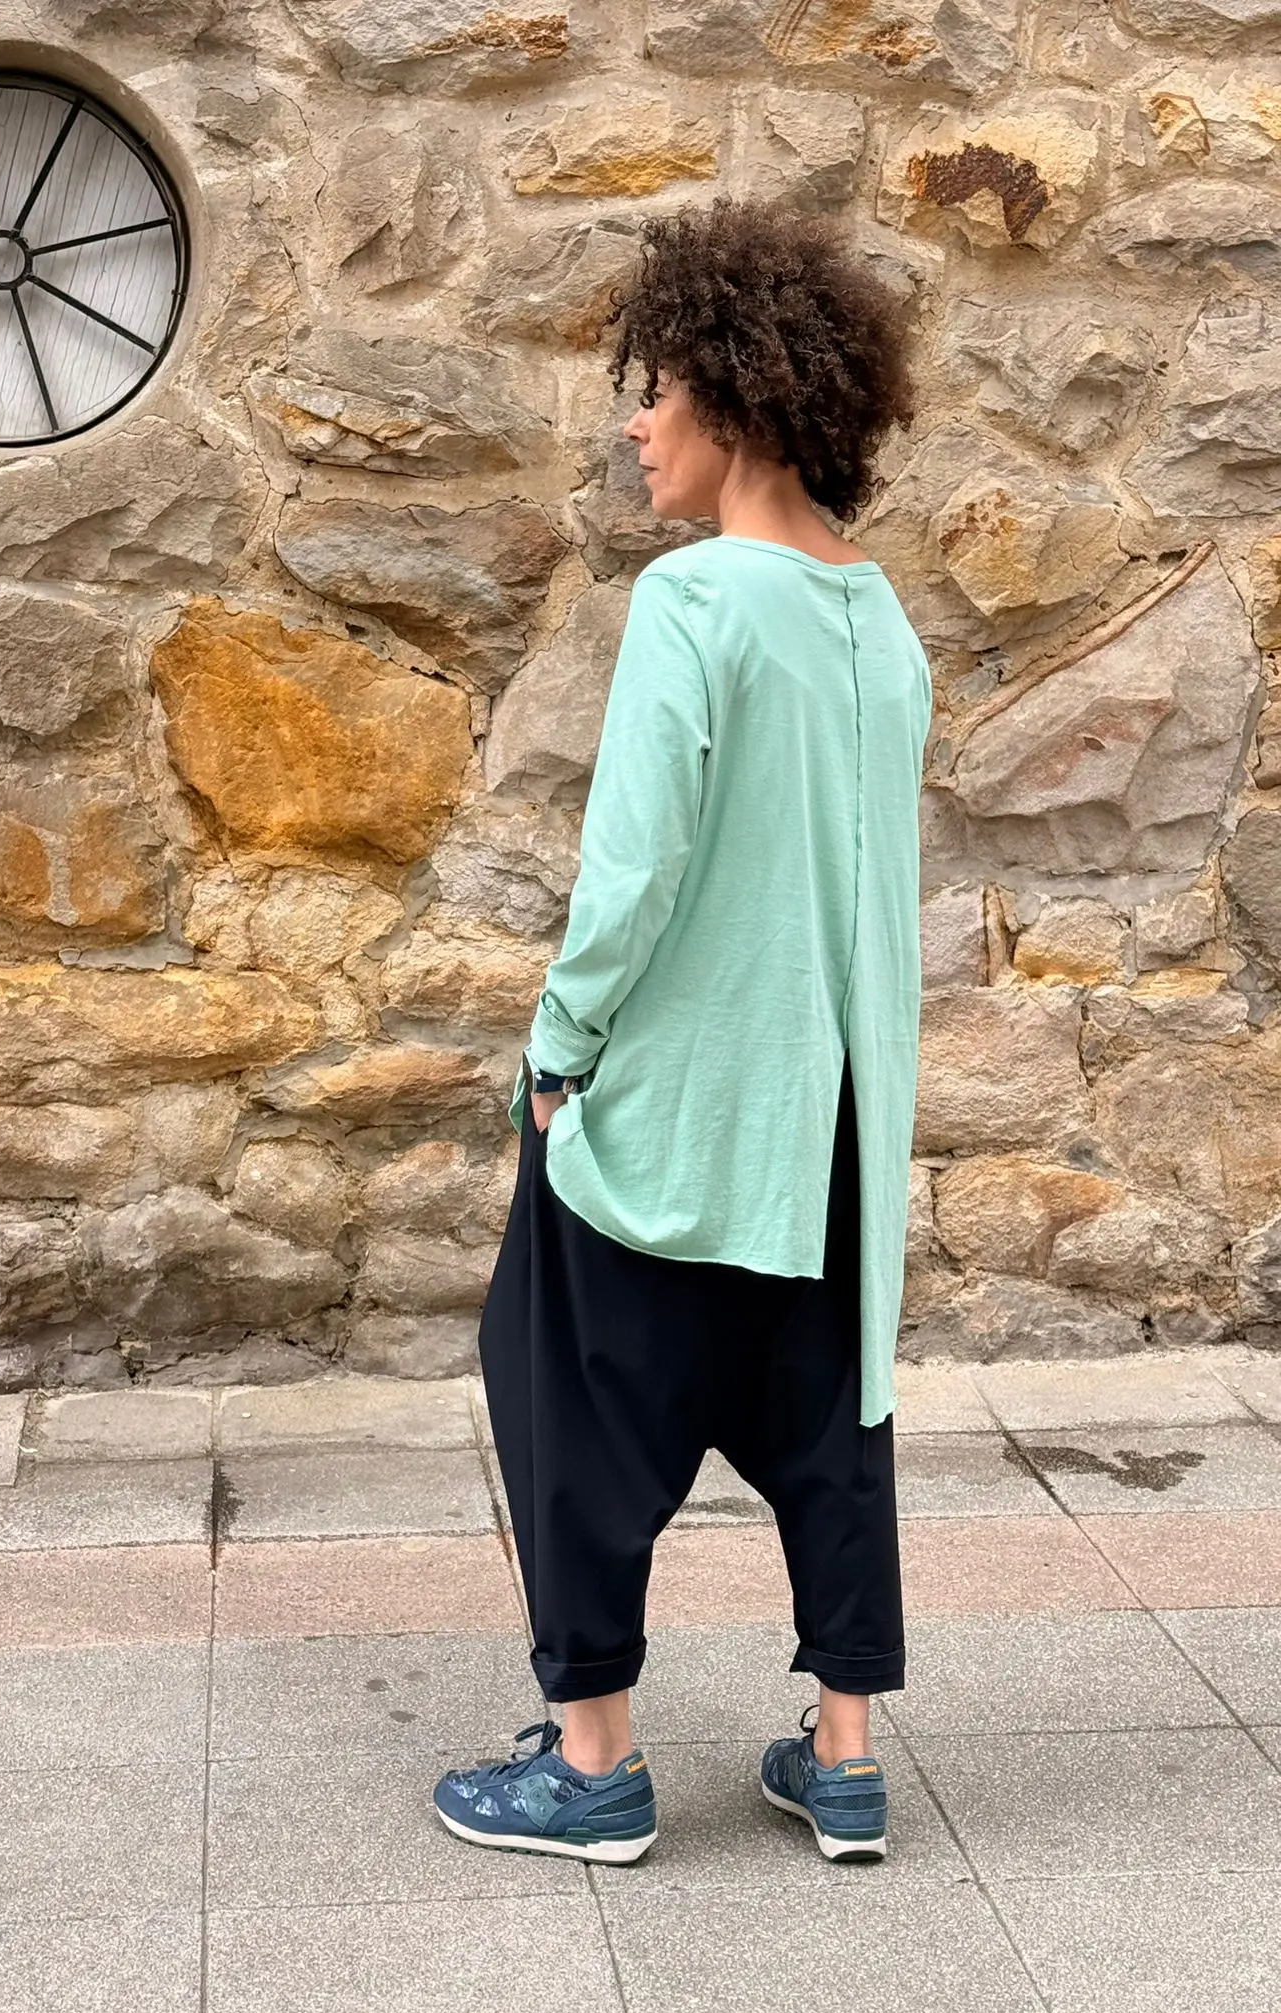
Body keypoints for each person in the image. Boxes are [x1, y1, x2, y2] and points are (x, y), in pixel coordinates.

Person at [432, 196, 931, 1868]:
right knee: (830, 1418)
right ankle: (845, 1763)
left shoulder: (696, 601)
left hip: (686, 1100)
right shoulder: (884, 619)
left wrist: (558, 1052)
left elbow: (634, 871)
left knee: (557, 1386)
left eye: (658, 390)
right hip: (837, 1124)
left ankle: (594, 1768)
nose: (638, 425)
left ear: (738, 394)